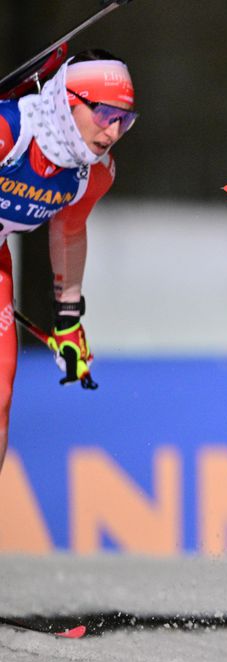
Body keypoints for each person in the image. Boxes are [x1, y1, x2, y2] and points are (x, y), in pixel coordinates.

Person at [0, 49, 136, 472]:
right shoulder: (9, 131)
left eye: (125, 120)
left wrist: (68, 318)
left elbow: (70, 231)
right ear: (68, 99)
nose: (113, 132)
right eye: (105, 114)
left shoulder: (91, 174)